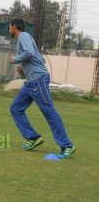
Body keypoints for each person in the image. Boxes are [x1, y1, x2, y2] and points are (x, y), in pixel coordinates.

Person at [8, 18, 75, 159]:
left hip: (38, 80)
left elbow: (30, 54)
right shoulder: (25, 39)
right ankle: (33, 137)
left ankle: (67, 145)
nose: (9, 30)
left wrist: (15, 59)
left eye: (10, 27)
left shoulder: (23, 36)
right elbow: (40, 59)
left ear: (14, 27)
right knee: (15, 108)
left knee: (49, 112)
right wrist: (24, 70)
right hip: (31, 82)